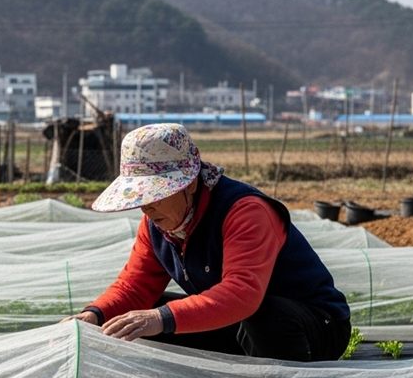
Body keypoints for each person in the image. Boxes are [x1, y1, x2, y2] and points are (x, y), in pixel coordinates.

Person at [69, 123, 350, 361]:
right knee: (136, 317)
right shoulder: (158, 224)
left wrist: (161, 319)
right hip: (238, 323)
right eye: (142, 198)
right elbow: (135, 286)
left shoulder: (245, 212)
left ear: (189, 184)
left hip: (314, 327)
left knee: (263, 315)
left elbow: (242, 294)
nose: (146, 207)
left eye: (155, 195)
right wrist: (95, 314)